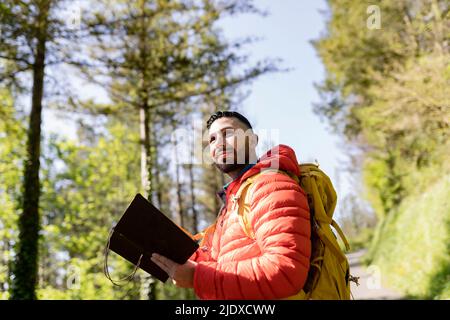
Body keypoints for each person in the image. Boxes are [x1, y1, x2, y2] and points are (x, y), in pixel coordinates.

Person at [151, 111, 311, 299]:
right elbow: (220, 263)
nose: (218, 143)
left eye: (228, 134)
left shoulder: (271, 185)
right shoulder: (233, 201)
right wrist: (172, 247)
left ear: (252, 140)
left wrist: (197, 276)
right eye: (212, 139)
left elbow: (285, 271)